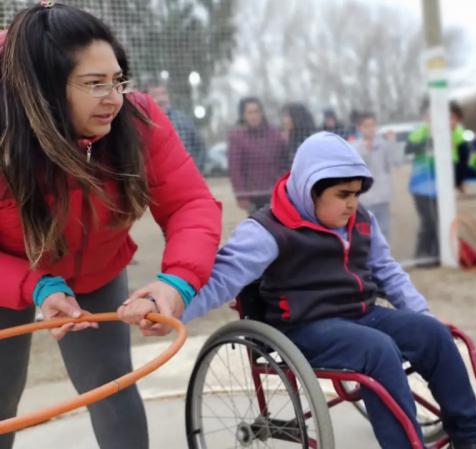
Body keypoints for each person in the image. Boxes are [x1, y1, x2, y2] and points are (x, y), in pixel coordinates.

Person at [182, 132, 476, 449]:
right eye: (343, 194)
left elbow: (387, 271)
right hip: (304, 326)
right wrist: (173, 305)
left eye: (357, 194)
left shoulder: (361, 221)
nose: (353, 203)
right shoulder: (267, 230)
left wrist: (421, 313)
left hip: (361, 315)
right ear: (311, 189)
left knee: (435, 334)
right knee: (378, 349)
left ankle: (471, 438)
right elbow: (221, 278)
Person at [0, 4, 222, 449]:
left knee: (111, 389)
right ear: (43, 89)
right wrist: (37, 286)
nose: (114, 97)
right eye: (95, 84)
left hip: (96, 273)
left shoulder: (137, 121)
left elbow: (191, 204)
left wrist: (177, 281)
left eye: (118, 80)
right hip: (8, 271)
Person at [405, 100, 472, 261]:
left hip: (443, 188)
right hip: (422, 187)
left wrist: (459, 181)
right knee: (429, 221)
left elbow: (462, 162)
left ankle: (439, 254)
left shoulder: (458, 135)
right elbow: (408, 149)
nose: (450, 122)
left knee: (443, 221)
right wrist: (431, 140)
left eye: (454, 118)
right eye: (447, 117)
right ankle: (422, 255)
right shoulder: (423, 130)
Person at [227, 97, 290, 212]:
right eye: (249, 112)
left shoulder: (275, 133)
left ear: (262, 113)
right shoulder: (237, 137)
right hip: (252, 196)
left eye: (256, 111)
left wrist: (284, 186)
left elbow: (284, 161)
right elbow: (235, 169)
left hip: (275, 192)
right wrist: (241, 195)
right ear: (243, 115)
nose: (254, 116)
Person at [352, 112, 403, 242]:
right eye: (366, 126)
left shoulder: (384, 145)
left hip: (382, 196)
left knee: (384, 230)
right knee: (366, 232)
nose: (370, 129)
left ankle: (384, 259)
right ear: (359, 128)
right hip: (364, 198)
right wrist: (366, 150)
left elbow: (397, 161)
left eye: (372, 125)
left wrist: (392, 142)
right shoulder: (354, 147)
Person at [144, 81, 208, 171]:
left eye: (163, 93)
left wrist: (194, 170)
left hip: (185, 173)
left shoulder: (183, 120)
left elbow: (200, 147)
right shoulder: (143, 122)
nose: (161, 99)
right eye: (155, 95)